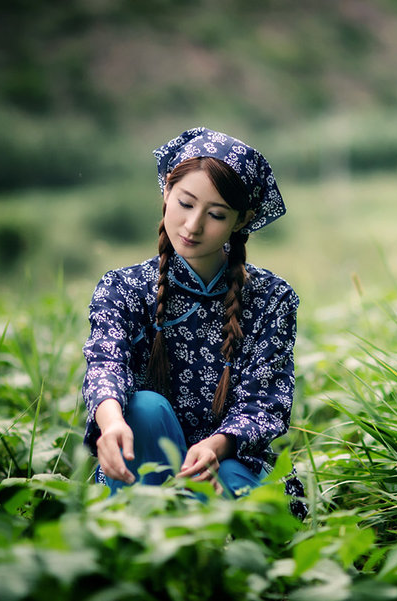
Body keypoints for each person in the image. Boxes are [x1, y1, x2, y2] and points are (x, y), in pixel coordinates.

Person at [81, 126, 305, 518]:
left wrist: (217, 445)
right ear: (166, 191)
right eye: (185, 203)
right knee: (145, 409)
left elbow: (266, 405)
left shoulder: (273, 299)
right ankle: (142, 532)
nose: (193, 225)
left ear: (241, 220)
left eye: (216, 214)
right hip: (147, 458)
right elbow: (105, 363)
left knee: (242, 498)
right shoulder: (124, 288)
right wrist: (111, 420)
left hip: (231, 464)